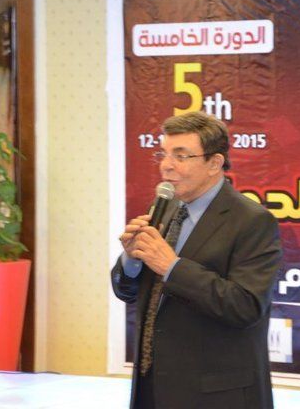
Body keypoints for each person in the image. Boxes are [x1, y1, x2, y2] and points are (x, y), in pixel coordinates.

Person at [111, 111, 282, 409]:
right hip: (152, 387)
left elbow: (245, 306)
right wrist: (132, 258)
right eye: (163, 154)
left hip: (216, 395)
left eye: (180, 155)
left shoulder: (252, 221)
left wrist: (172, 267)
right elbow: (128, 292)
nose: (166, 165)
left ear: (214, 163)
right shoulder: (164, 208)